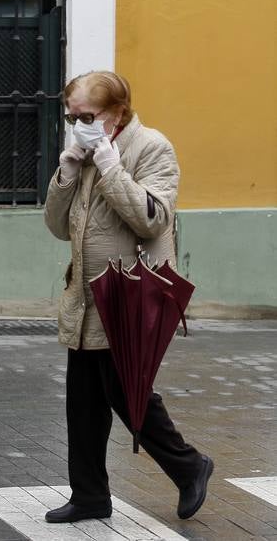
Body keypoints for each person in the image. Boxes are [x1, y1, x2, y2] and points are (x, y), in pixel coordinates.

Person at [43, 70, 213, 524]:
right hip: (85, 295)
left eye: (87, 115)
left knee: (126, 391)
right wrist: (67, 170)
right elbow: (58, 228)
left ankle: (189, 465)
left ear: (118, 111)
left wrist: (112, 166)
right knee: (83, 403)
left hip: (129, 295)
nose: (78, 123)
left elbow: (152, 219)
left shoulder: (151, 147)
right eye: (70, 116)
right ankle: (90, 497)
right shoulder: (83, 153)